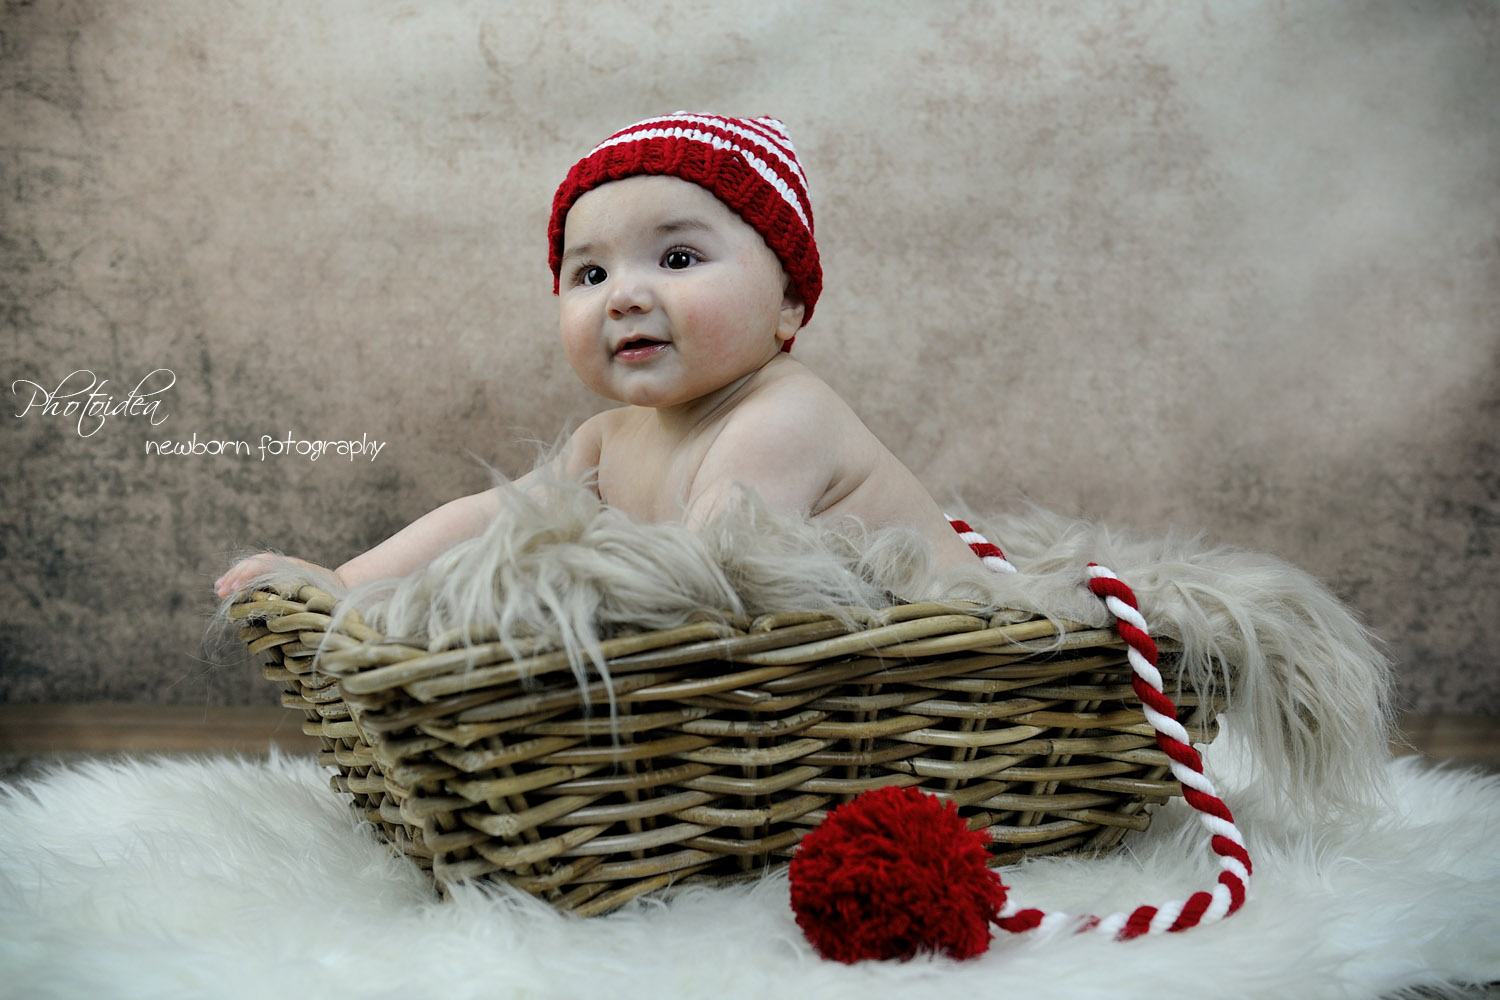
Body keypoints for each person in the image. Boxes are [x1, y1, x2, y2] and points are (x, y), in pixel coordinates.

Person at [215, 112, 980, 600]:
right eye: (590, 273)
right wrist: (349, 583)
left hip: (949, 675)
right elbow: (490, 518)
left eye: (677, 259)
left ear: (787, 305)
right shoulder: (610, 437)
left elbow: (708, 584)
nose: (624, 296)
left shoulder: (783, 417)